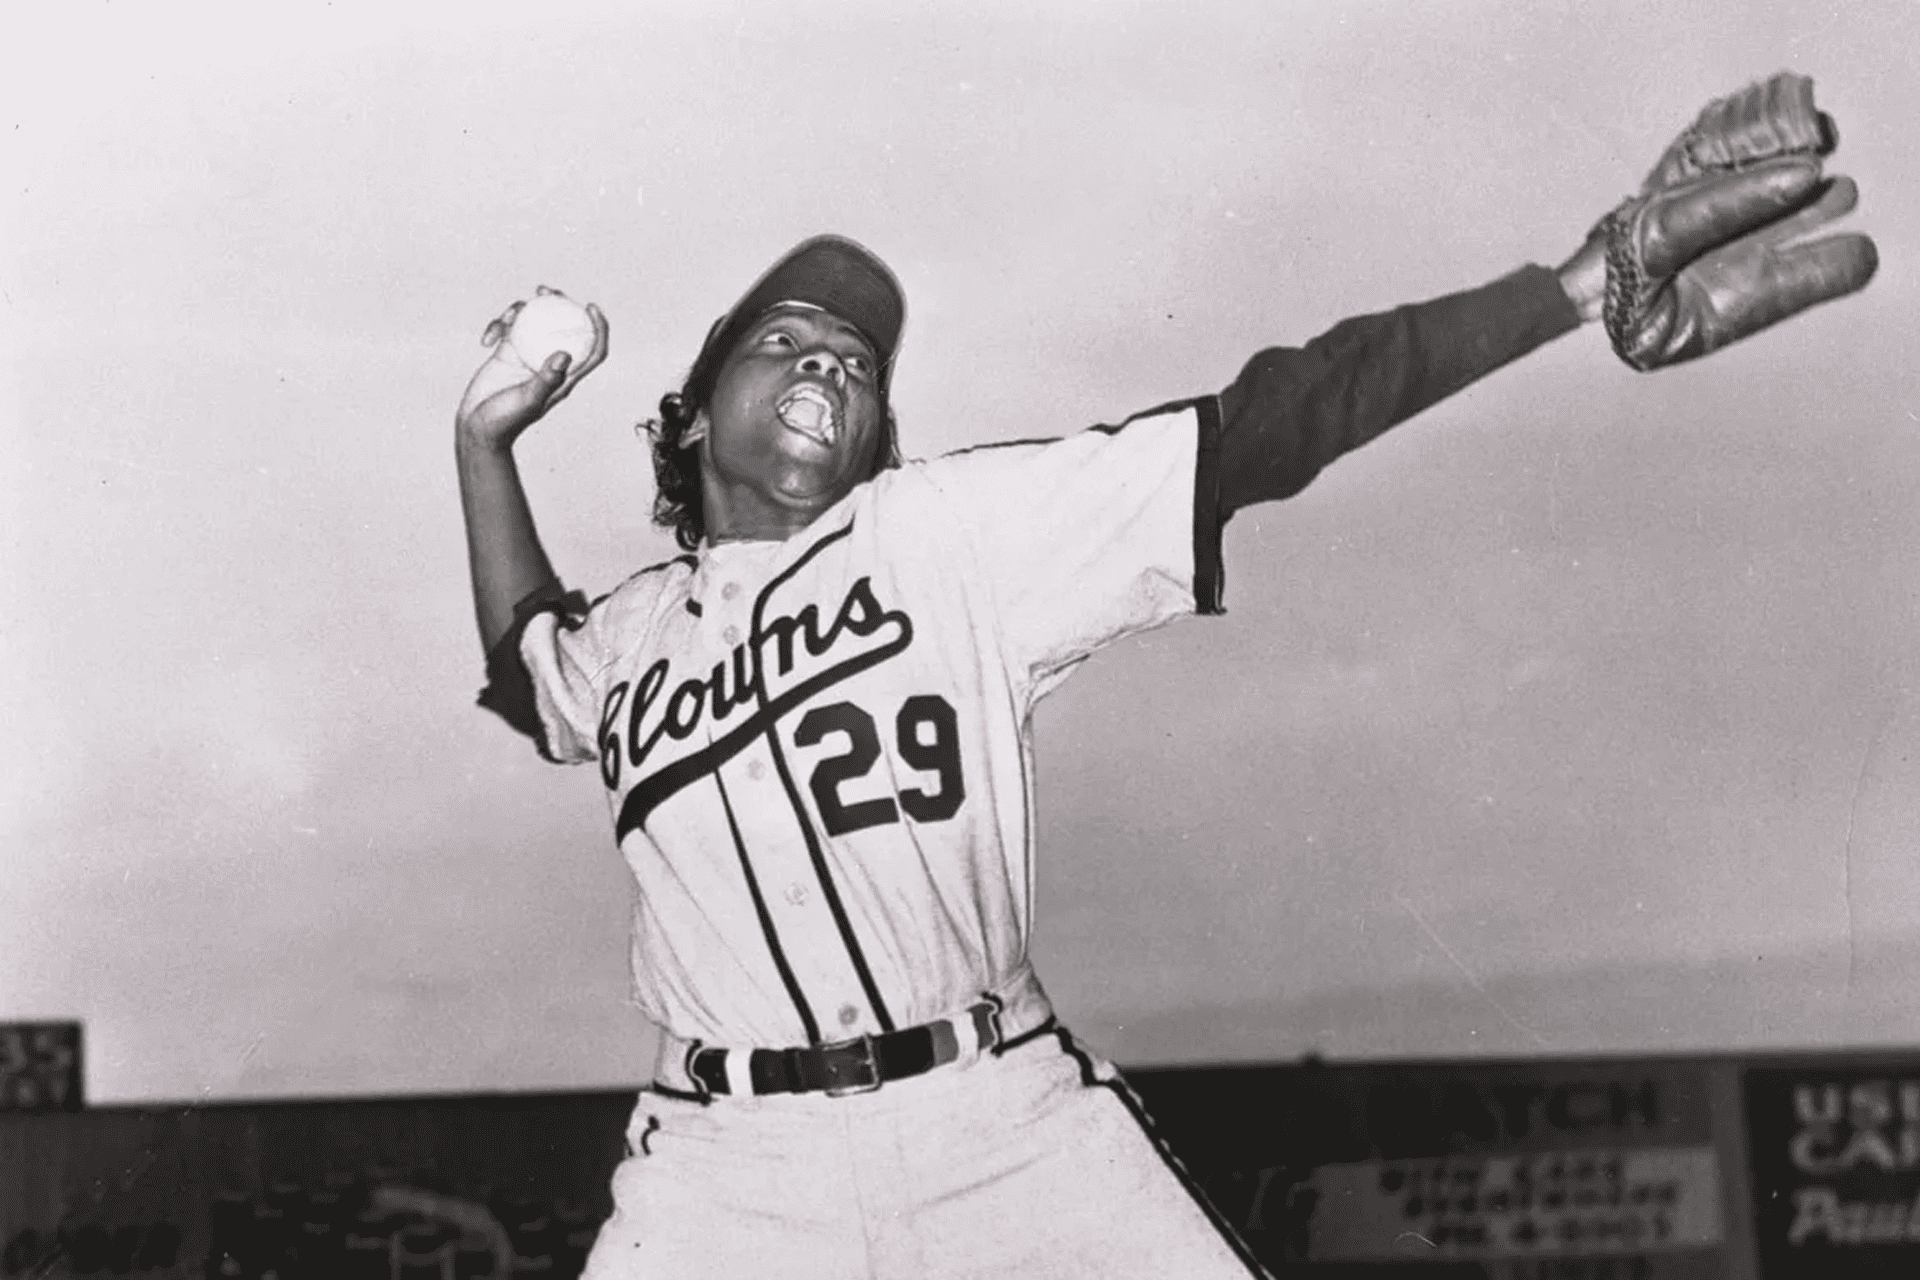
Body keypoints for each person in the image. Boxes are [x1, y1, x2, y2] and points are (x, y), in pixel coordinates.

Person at [452, 93, 1873, 1279]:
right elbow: (531, 672)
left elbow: (1281, 414)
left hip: (995, 1129)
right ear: (693, 416)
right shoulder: (629, 641)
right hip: (725, 1177)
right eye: (786, 339)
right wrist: (484, 441)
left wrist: (1575, 286)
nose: (831, 358)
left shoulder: (949, 536)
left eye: (858, 359)